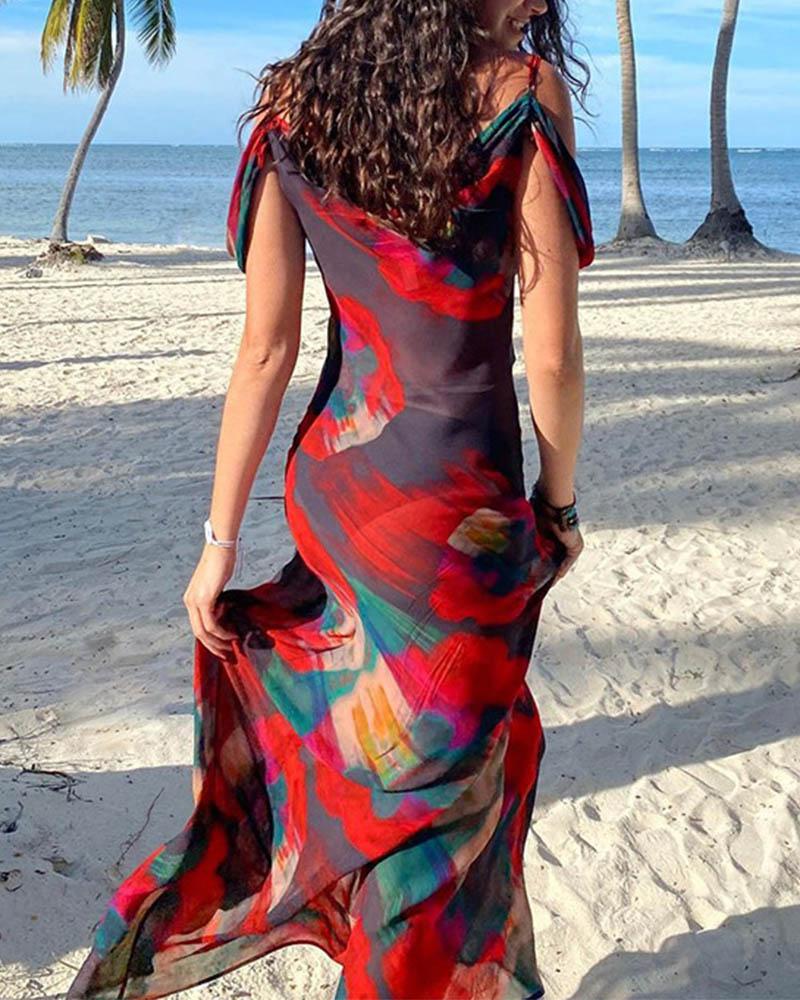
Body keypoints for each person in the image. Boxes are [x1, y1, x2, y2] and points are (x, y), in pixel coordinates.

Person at [65, 1, 594, 997]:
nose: (542, 4)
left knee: (417, 755)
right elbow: (555, 352)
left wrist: (219, 542)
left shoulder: (293, 102)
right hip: (456, 516)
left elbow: (266, 350)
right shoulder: (523, 94)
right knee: (436, 803)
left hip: (339, 493)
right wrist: (557, 508)